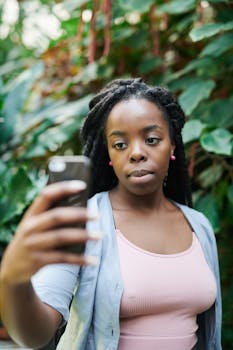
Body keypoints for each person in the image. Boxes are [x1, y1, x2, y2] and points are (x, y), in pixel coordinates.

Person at [0, 78, 222, 350]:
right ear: (109, 154)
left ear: (173, 145)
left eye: (151, 139)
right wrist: (13, 279)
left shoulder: (198, 225)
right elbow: (35, 335)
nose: (137, 153)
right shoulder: (82, 221)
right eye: (120, 144)